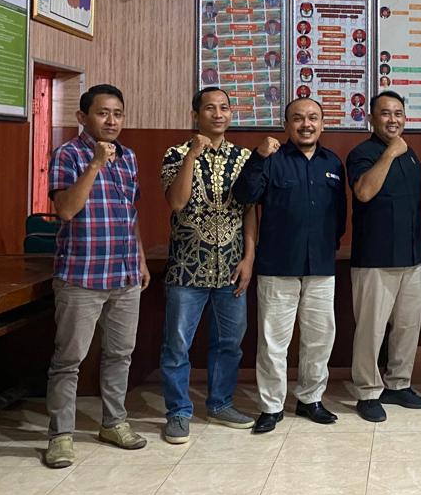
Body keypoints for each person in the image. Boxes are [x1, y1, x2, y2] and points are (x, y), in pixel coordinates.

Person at [44, 84, 151, 469]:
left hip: (124, 273)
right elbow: (66, 210)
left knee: (120, 354)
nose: (111, 121)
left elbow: (130, 215)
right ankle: (61, 436)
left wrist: (140, 260)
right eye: (103, 113)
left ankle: (114, 423)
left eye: (117, 113)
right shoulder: (68, 154)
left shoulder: (129, 157)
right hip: (81, 275)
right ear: (82, 117)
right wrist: (94, 164)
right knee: (69, 359)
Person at [232, 98, 347, 434]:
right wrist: (257, 158)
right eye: (298, 118)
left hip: (321, 265)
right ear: (286, 126)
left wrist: (328, 245)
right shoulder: (271, 159)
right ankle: (271, 406)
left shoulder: (333, 162)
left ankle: (311, 399)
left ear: (322, 124)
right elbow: (244, 196)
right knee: (273, 342)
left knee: (319, 338)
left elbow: (340, 214)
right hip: (278, 264)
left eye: (313, 118)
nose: (306, 124)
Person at [159, 88, 257, 444]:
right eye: (210, 108)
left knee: (230, 342)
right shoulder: (176, 153)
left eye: (224, 108)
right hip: (187, 268)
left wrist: (249, 258)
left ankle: (220, 404)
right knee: (177, 345)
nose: (218, 114)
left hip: (231, 266)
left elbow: (249, 211)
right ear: (195, 114)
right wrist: (192, 157)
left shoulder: (244, 157)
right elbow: (177, 201)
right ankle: (178, 412)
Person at [347, 91, 421, 422]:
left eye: (398, 113)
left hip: (411, 257)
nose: (393, 119)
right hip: (375, 259)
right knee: (371, 330)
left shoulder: (411, 155)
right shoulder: (362, 154)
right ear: (371, 118)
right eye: (385, 113)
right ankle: (367, 391)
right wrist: (390, 153)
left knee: (408, 326)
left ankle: (398, 383)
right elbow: (364, 192)